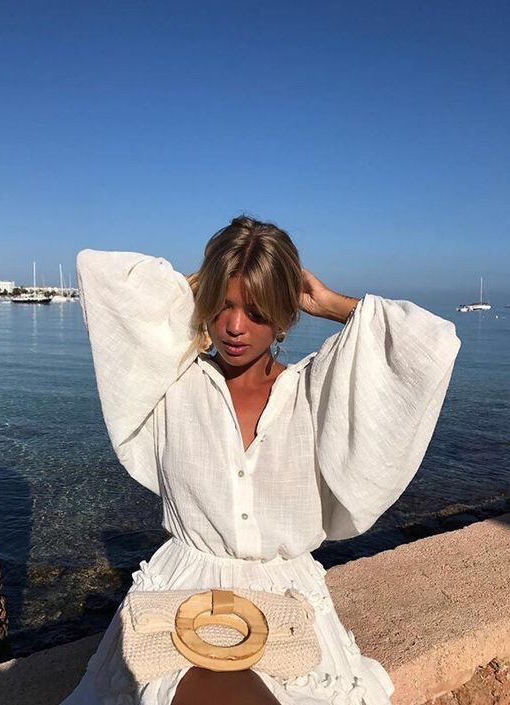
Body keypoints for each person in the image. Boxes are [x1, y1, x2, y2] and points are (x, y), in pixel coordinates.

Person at [61, 215, 461, 705]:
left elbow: (426, 343)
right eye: (222, 305)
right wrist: (198, 284)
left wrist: (332, 304)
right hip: (183, 593)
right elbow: (102, 276)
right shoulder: (173, 385)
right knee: (206, 685)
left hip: (287, 603)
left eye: (256, 311)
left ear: (284, 315)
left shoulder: (315, 394)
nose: (234, 326)